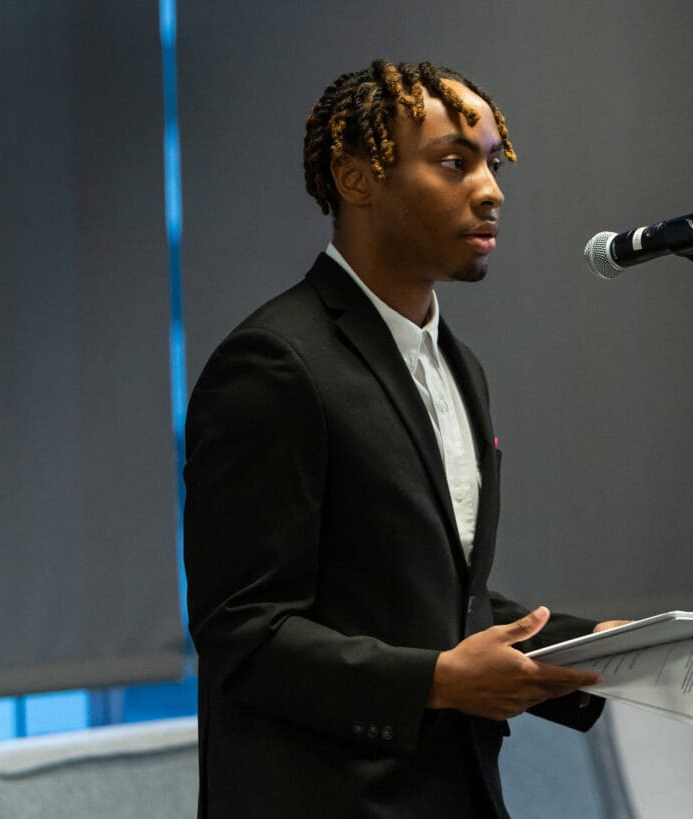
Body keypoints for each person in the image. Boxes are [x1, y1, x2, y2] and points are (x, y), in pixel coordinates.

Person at [183, 59, 624, 819]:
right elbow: (241, 632)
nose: (491, 189)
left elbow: (426, 593)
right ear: (356, 179)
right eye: (455, 163)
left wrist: (600, 646)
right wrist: (436, 681)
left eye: (490, 162)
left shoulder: (458, 363)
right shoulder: (275, 363)